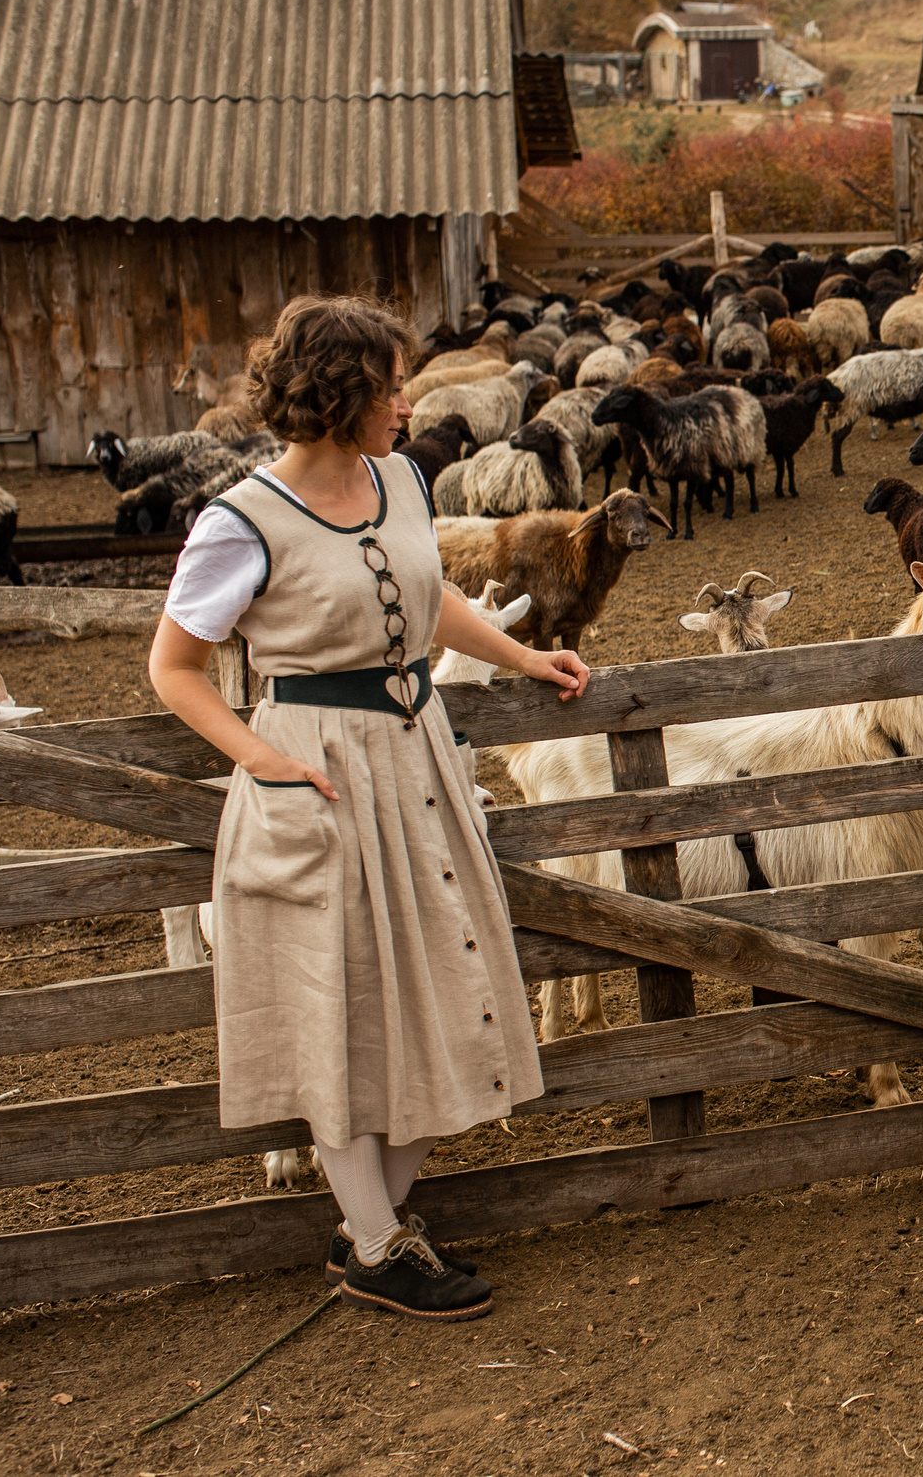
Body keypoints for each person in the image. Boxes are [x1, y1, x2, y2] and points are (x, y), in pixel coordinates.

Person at [148, 295, 591, 1322]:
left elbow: (426, 593)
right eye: (391, 386)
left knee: (457, 977)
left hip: (418, 755)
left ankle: (370, 1230)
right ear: (342, 396)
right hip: (319, 769)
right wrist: (262, 761)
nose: (408, 401)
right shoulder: (241, 520)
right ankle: (383, 1239)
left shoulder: (400, 477)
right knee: (336, 1001)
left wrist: (523, 656)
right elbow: (175, 669)